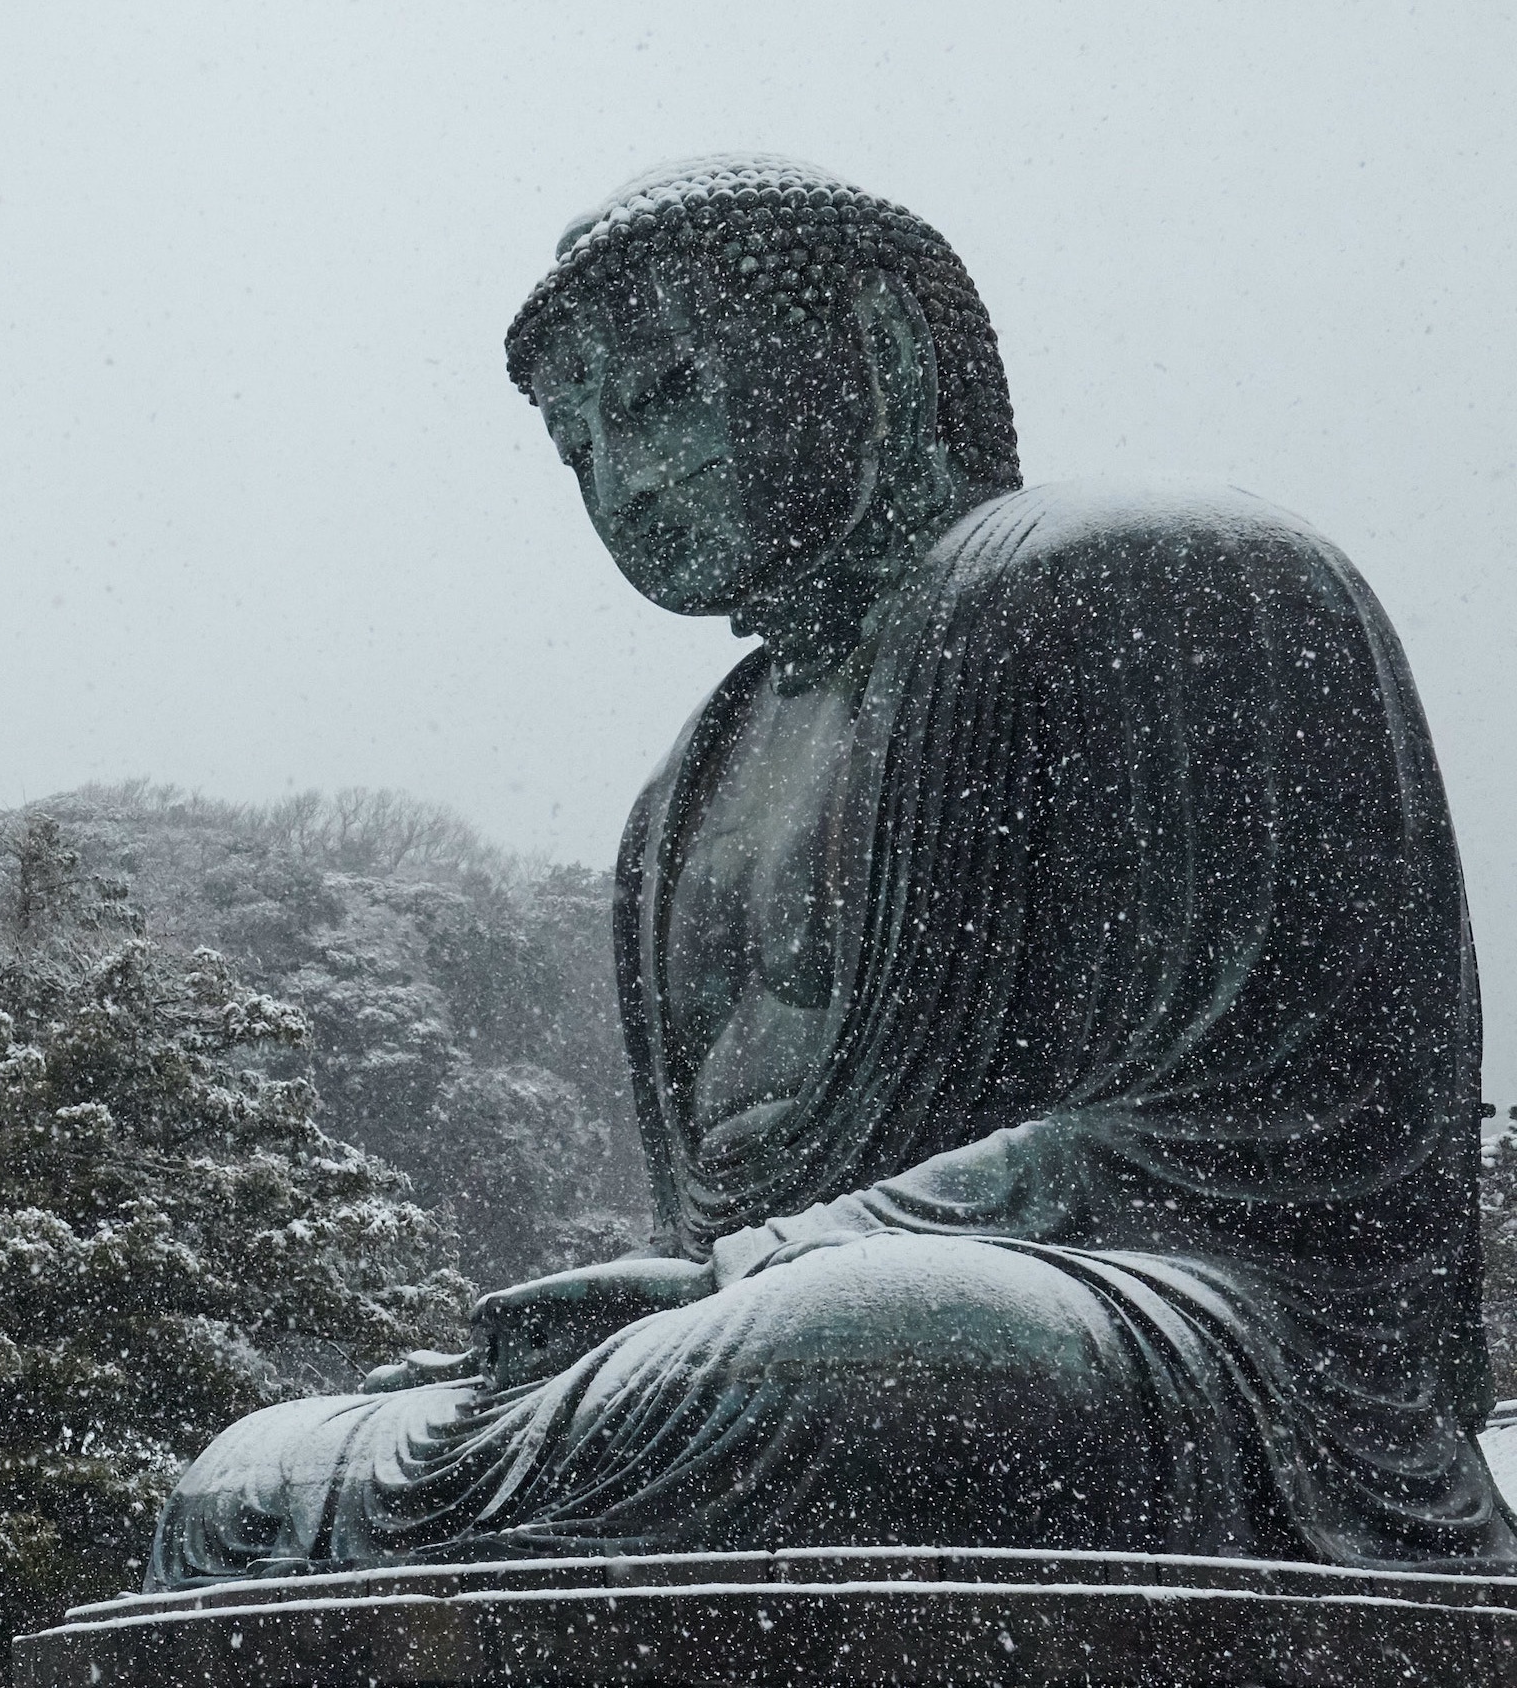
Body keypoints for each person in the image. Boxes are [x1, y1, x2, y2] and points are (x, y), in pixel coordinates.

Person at [148, 154, 1515, 1587]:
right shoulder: (687, 784)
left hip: (1176, 1336)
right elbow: (711, 1222)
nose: (627, 481)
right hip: (769, 1331)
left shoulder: (1142, 571)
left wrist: (768, 1273)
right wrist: (668, 1302)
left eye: (667, 392)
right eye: (577, 446)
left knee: (841, 1368)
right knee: (249, 1479)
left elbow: (1268, 1133)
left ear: (880, 345)